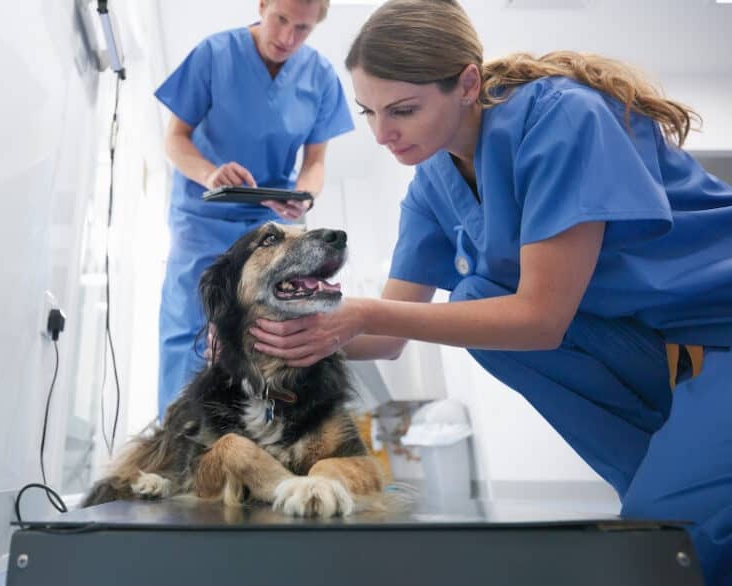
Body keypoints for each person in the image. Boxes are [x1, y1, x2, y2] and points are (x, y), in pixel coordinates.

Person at [248, 1, 732, 583]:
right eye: (369, 113)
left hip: (719, 332)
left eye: (402, 110)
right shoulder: (434, 180)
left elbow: (540, 319)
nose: (383, 134)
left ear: (467, 83)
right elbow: (385, 334)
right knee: (480, 292)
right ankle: (671, 480)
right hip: (662, 352)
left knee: (673, 541)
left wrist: (356, 312)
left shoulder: (564, 117)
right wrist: (266, 337)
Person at [154, 0, 354, 416]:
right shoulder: (214, 55)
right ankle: (182, 442)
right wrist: (210, 174)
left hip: (272, 224)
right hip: (202, 215)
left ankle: (259, 442)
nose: (287, 38)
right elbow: (175, 139)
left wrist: (303, 195)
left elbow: (315, 163)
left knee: (269, 330)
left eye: (302, 28)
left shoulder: (319, 76)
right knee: (189, 326)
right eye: (281, 20)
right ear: (262, 5)